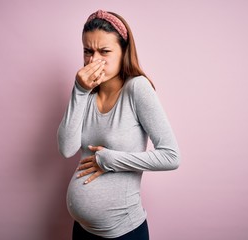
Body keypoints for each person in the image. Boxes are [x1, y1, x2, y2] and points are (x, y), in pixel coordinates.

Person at [57, 9, 180, 240]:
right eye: (87, 51)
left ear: (123, 51)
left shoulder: (137, 88)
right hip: (82, 231)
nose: (93, 61)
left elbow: (171, 156)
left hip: (124, 233)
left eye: (104, 51)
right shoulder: (87, 94)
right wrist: (80, 90)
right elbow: (66, 149)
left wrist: (111, 160)